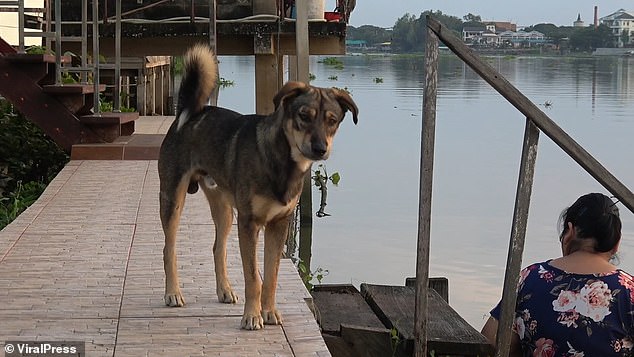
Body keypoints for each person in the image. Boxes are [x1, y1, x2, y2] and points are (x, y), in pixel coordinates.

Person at [481, 193, 634, 356]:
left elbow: (490, 343)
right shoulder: (629, 291)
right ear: (617, 242)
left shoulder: (530, 279)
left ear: (569, 231)